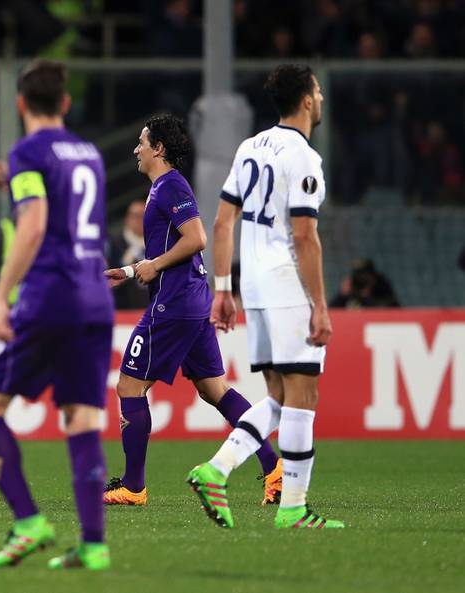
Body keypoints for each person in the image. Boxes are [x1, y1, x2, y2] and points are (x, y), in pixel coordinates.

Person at [0, 59, 113, 570]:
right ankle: (93, 545)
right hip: (96, 297)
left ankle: (29, 522)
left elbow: (32, 225)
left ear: (21, 104)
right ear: (67, 103)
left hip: (49, 295)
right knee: (82, 417)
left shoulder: (27, 150)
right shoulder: (90, 153)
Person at [189, 64, 344, 529]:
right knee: (304, 394)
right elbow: (305, 236)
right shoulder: (304, 157)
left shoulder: (249, 147)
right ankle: (293, 508)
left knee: (279, 395)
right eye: (316, 91)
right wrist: (319, 303)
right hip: (286, 284)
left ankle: (216, 469)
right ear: (307, 100)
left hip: (253, 284)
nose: (319, 98)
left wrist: (223, 289)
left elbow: (221, 223)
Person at [102, 115, 281, 508]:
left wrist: (151, 266)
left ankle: (133, 487)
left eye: (142, 142)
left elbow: (196, 238)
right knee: (213, 389)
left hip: (175, 303)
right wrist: (134, 269)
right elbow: (172, 248)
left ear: (159, 149)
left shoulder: (170, 186)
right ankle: (274, 469)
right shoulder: (161, 189)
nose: (136, 149)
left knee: (129, 387)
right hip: (190, 300)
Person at [107, 200, 149, 309]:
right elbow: (109, 272)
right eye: (135, 216)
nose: (139, 220)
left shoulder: (156, 241)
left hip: (151, 305)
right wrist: (124, 262)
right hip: (124, 305)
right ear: (127, 219)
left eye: (143, 216)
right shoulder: (115, 242)